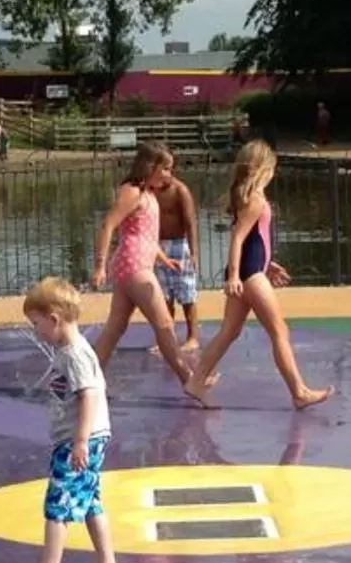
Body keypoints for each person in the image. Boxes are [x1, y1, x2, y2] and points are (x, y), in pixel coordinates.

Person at [185, 139, 333, 409]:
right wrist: (234, 277)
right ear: (265, 168)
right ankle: (299, 391)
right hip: (250, 275)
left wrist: (268, 264)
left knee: (229, 332)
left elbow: (257, 239)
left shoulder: (253, 198)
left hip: (251, 270)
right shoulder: (254, 200)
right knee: (279, 332)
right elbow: (238, 238)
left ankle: (197, 380)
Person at [11, 276, 120, 563]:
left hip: (79, 441)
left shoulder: (74, 354)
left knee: (57, 504)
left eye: (36, 323)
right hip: (86, 438)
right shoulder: (71, 350)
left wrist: (80, 441)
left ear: (54, 319)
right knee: (91, 503)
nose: (35, 331)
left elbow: (91, 393)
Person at [89, 142, 196, 388]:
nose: (169, 174)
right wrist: (100, 265)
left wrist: (164, 258)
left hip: (134, 265)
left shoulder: (147, 193)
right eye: (166, 169)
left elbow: (144, 235)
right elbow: (108, 225)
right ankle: (189, 381)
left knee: (115, 328)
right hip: (135, 267)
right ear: (151, 166)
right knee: (165, 324)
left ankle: (87, 380)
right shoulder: (133, 192)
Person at [150, 152, 204, 351]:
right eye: (163, 168)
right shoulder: (150, 191)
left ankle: (193, 337)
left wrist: (194, 253)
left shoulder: (180, 190)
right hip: (158, 245)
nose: (168, 173)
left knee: (187, 294)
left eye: (169, 168)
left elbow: (190, 223)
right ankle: (167, 338)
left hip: (179, 245)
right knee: (164, 296)